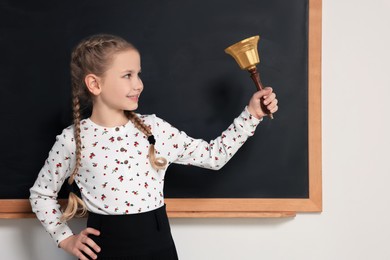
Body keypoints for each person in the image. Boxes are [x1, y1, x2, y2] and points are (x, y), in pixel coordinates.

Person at [29, 34, 278, 260]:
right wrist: (65, 238)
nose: (139, 84)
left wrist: (252, 114)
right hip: (104, 251)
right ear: (95, 84)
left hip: (158, 247)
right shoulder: (72, 139)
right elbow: (41, 194)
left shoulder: (155, 129)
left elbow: (213, 156)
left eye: (138, 74)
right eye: (127, 75)